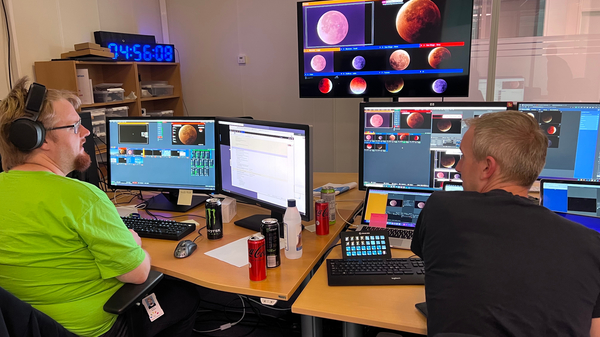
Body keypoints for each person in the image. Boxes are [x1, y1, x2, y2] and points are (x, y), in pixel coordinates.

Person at [0, 78, 199, 337]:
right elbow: (137, 274)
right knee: (184, 296)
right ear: (38, 138)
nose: (86, 133)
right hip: (94, 328)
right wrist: (133, 242)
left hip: (27, 327)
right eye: (74, 126)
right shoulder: (82, 198)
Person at [411, 111, 600, 336]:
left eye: (463, 156)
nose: (458, 167)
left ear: (487, 167)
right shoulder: (593, 246)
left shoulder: (441, 208)